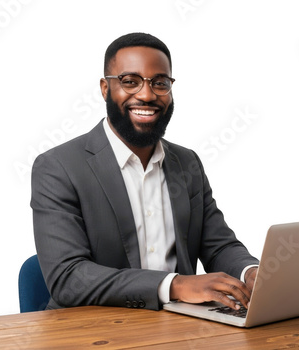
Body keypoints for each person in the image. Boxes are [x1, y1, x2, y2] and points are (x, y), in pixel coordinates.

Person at [31, 32, 259, 312]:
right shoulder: (58, 167)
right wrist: (174, 285)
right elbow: (69, 278)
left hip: (180, 327)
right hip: (91, 331)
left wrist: (250, 272)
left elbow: (219, 246)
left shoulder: (187, 163)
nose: (147, 95)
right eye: (130, 82)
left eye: (160, 83)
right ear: (105, 88)